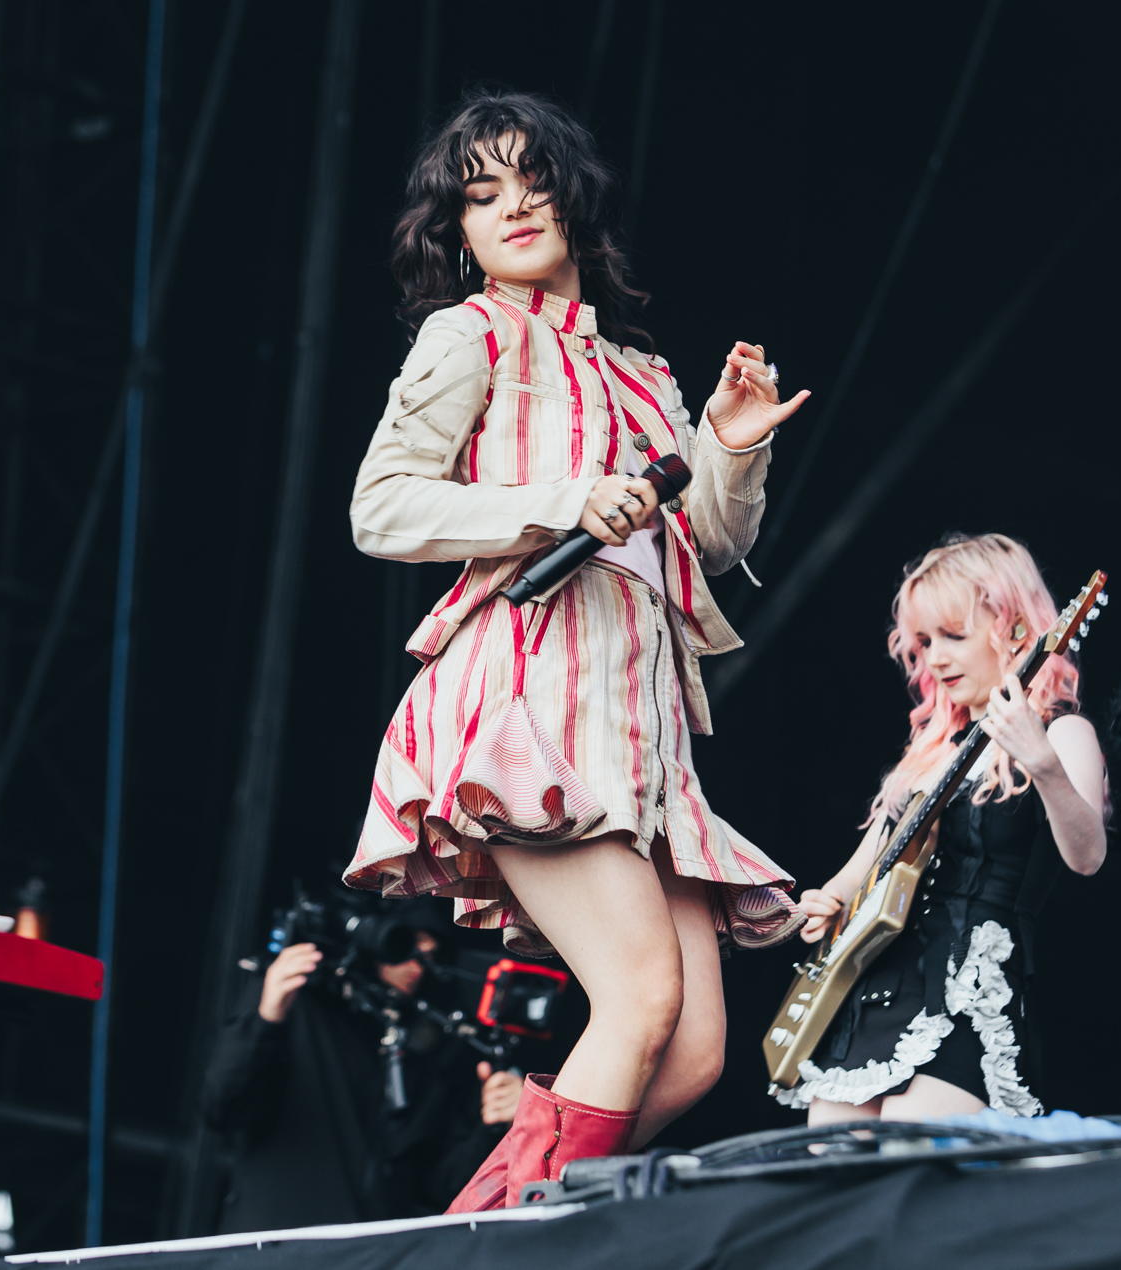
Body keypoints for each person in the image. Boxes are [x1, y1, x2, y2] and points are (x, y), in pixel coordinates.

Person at [340, 89, 809, 1211]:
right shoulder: (469, 336)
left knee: (693, 1052)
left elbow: (695, 546)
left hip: (642, 748)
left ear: (570, 194)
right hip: (528, 710)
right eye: (479, 194)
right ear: (456, 229)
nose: (508, 209)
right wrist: (555, 504)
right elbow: (381, 507)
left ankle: (500, 1220)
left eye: (528, 181)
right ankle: (495, 1249)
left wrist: (728, 451)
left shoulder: (645, 374)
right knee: (639, 999)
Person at [776, 534, 1109, 1122]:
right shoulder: (932, 751)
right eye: (924, 642)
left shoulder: (1061, 733)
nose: (934, 659)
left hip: (970, 990)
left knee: (913, 1160)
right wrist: (824, 902)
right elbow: (863, 869)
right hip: (879, 984)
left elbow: (1087, 857)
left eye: (952, 637)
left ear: (1012, 631)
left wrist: (1043, 764)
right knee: (824, 1167)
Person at [202, 910, 519, 1229]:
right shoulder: (300, 1000)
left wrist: (494, 1126)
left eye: (430, 955)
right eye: (404, 947)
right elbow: (222, 1108)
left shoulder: (429, 1051)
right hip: (273, 1246)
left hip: (370, 1255)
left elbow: (436, 1186)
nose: (417, 967)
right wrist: (266, 1017)